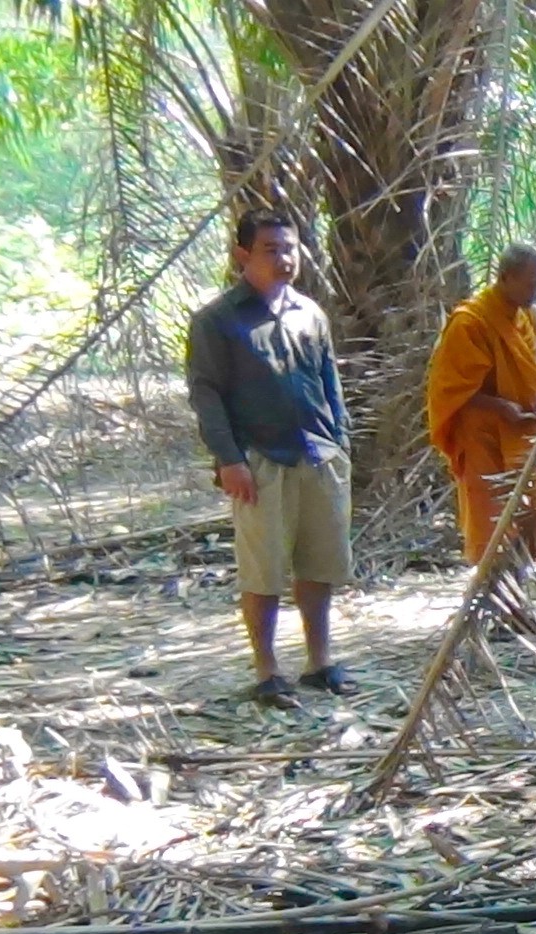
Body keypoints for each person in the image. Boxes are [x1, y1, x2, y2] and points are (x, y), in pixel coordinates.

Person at [186, 208, 359, 709]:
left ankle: (319, 661)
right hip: (260, 459)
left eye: (290, 248)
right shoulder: (217, 321)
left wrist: (340, 440)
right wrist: (229, 459)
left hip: (319, 454)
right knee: (263, 569)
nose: (284, 259)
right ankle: (267, 670)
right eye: (271, 249)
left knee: (319, 563)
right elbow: (207, 395)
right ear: (242, 255)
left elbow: (329, 382)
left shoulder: (310, 314)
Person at [426, 245, 536, 579]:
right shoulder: (470, 322)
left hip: (521, 435)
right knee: (494, 524)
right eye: (530, 283)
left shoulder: (526, 316)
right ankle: (497, 601)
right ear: (505, 278)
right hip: (484, 436)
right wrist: (499, 406)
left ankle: (523, 599)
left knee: (529, 517)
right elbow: (451, 389)